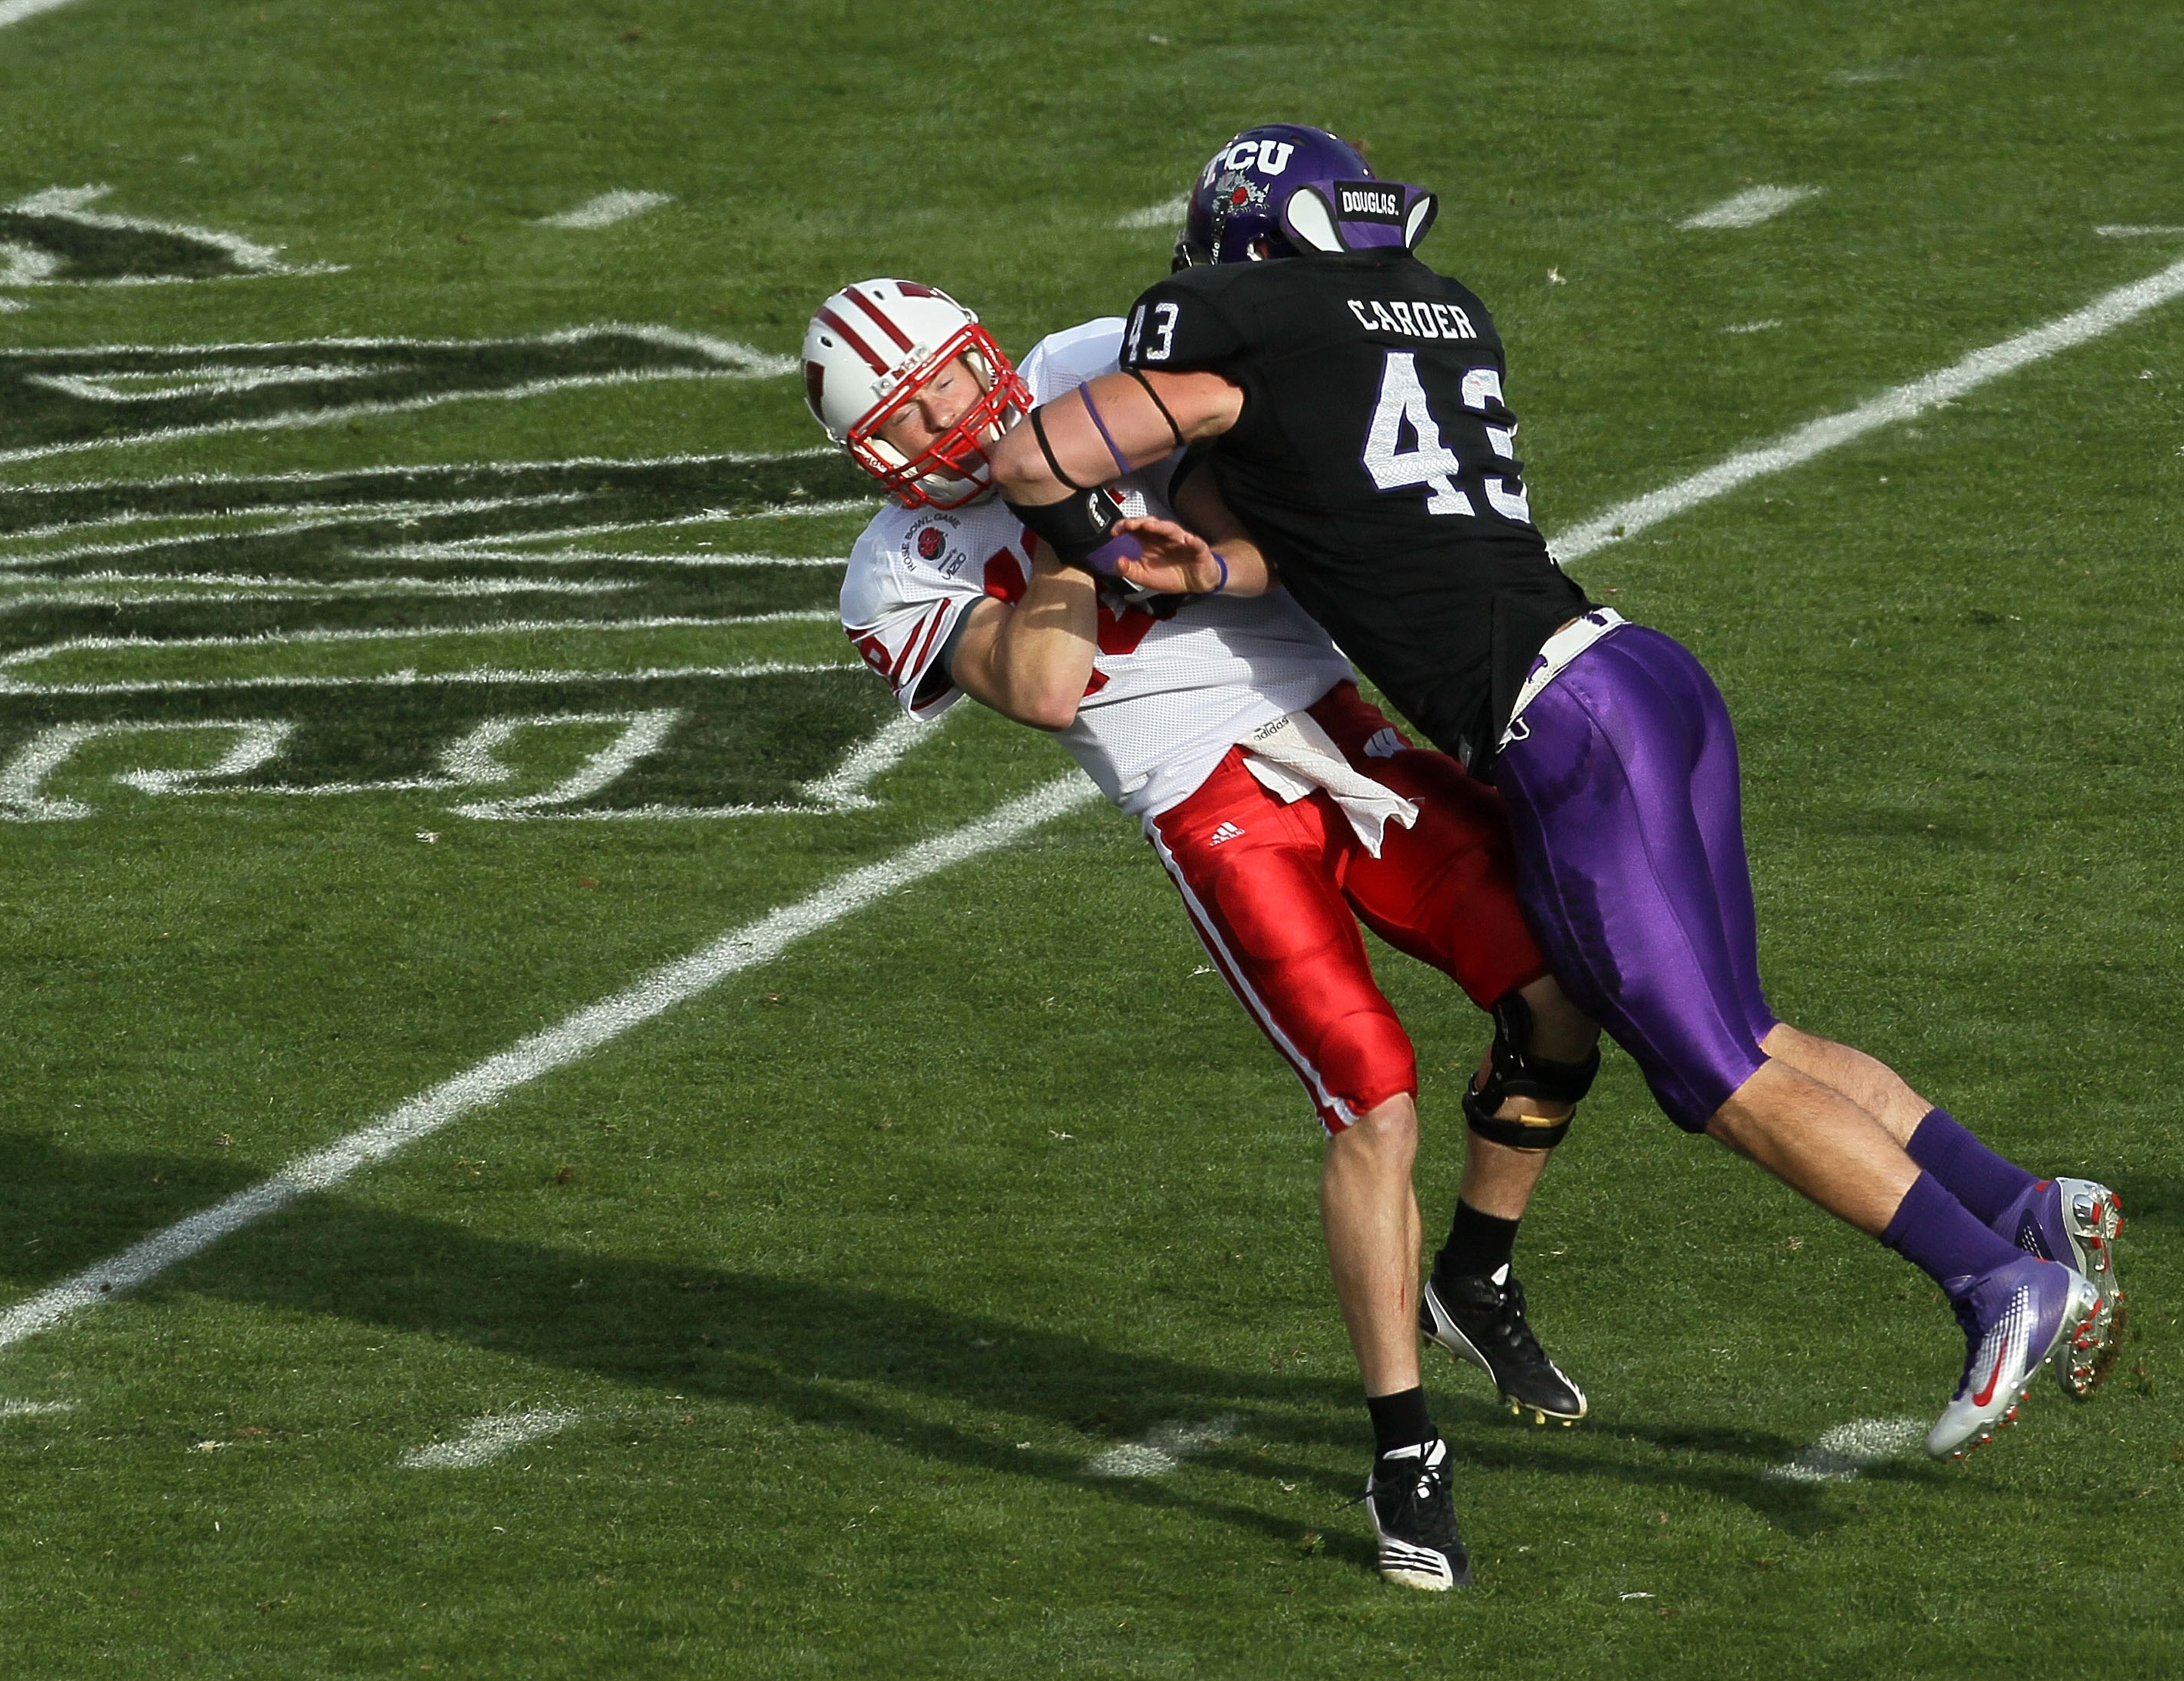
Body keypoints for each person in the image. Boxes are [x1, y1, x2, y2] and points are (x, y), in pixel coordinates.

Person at [979, 126, 2126, 1483]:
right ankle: (2025, 1201)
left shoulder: (1240, 328)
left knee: (1714, 1073)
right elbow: (1325, 528)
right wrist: (1201, 571)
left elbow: (1033, 463)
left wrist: (1087, 536)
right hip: (1640, 677)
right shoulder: (1440, 310)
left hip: (1562, 730)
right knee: (1745, 1024)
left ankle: (1995, 1279)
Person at [805, 276, 1610, 1591]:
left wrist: (1123, 477)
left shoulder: (1087, 362)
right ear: (876, 451)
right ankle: (1403, 1445)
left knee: (1564, 990)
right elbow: (1051, 682)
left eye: (955, 377)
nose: (955, 414)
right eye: (919, 411)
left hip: (1340, 727)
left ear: (982, 350)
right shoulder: (895, 569)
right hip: (1209, 802)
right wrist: (1046, 494)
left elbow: (1284, 450)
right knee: (1373, 1098)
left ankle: (1474, 1267)